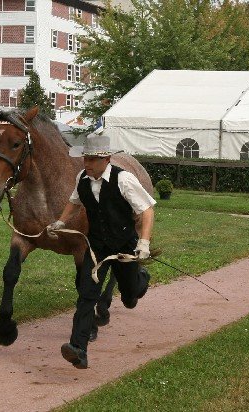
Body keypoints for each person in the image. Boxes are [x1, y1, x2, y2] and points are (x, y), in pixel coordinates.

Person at [47, 133, 156, 369]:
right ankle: (78, 349)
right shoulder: (82, 178)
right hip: (96, 247)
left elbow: (147, 210)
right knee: (87, 294)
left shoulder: (123, 179)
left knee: (130, 294)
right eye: (85, 158)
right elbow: (74, 201)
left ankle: (140, 279)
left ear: (106, 159)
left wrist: (144, 243)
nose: (86, 163)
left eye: (92, 159)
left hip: (124, 247)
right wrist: (61, 222)